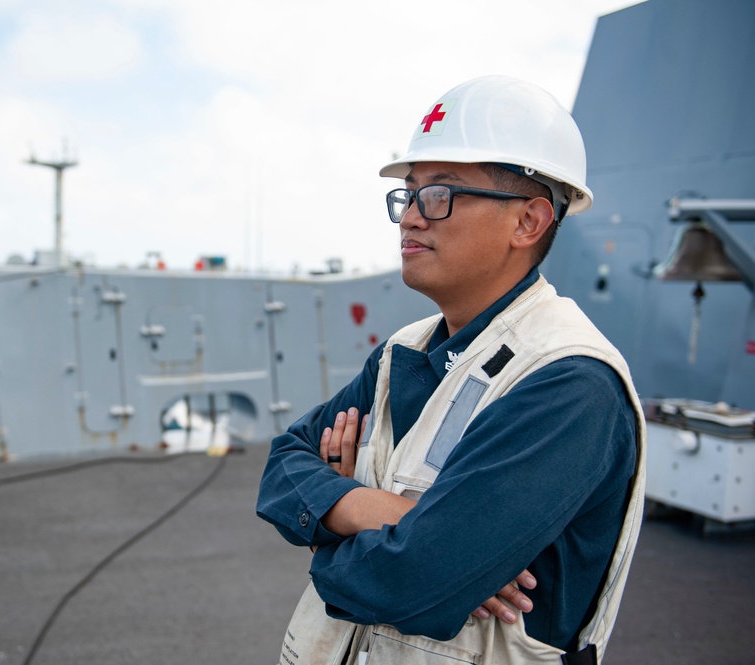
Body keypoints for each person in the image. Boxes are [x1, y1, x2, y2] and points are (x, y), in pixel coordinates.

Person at [256, 76, 646, 665]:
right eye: (407, 195)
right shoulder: (402, 352)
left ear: (529, 222)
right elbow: (282, 468)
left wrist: (329, 516)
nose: (410, 217)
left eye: (438, 194)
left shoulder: (569, 382)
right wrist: (385, 512)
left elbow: (407, 581)